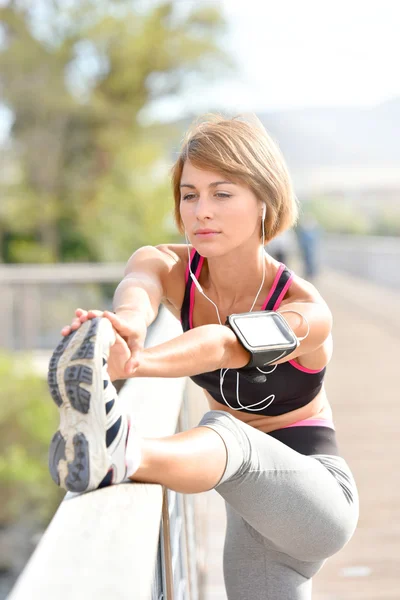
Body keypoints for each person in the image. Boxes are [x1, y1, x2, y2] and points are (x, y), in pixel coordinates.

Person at [47, 115, 358, 600]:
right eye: (189, 195)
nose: (200, 211)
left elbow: (224, 345)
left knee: (227, 427)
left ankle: (124, 452)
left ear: (264, 201)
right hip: (255, 522)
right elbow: (139, 287)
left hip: (315, 501)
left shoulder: (305, 310)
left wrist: (137, 362)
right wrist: (125, 325)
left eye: (222, 193)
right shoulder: (165, 264)